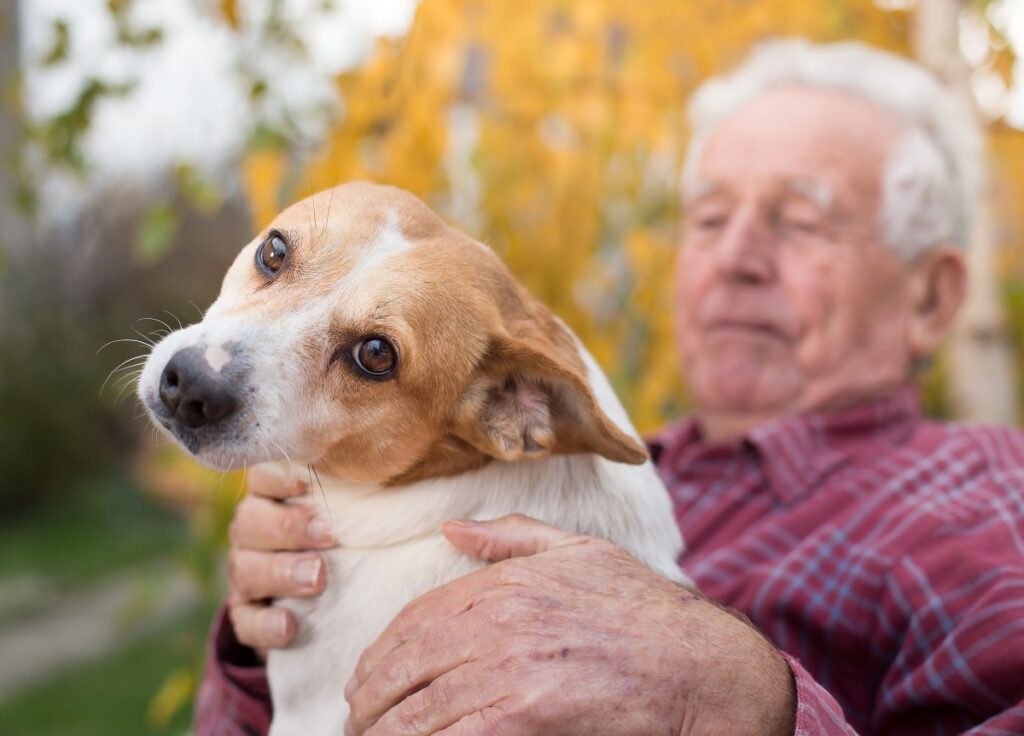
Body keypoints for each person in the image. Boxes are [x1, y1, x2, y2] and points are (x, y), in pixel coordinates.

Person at [194, 39, 1024, 735]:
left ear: (931, 296)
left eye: (801, 221)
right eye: (707, 217)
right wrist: (271, 631)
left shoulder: (984, 502)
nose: (734, 257)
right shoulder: (542, 459)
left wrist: (746, 701)